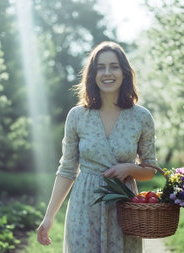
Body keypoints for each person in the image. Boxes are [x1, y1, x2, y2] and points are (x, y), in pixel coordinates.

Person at [36, 41, 157, 253]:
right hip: (84, 207)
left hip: (123, 208)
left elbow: (149, 171)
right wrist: (49, 217)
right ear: (92, 74)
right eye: (100, 67)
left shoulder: (141, 117)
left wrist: (128, 169)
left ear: (124, 72)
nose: (107, 73)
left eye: (114, 66)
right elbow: (66, 170)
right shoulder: (77, 116)